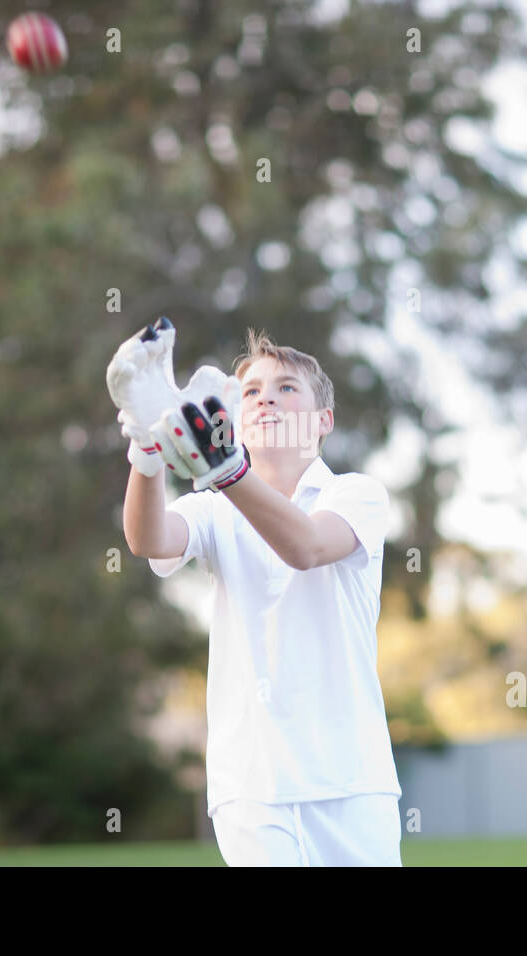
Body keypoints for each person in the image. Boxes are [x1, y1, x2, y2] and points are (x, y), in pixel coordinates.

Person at [110, 322, 402, 866]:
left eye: (286, 387)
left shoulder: (356, 494)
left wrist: (224, 468)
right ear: (236, 420)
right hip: (248, 786)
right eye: (251, 392)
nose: (266, 397)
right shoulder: (215, 507)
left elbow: (307, 547)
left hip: (351, 780)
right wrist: (147, 448)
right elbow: (147, 539)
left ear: (323, 422)